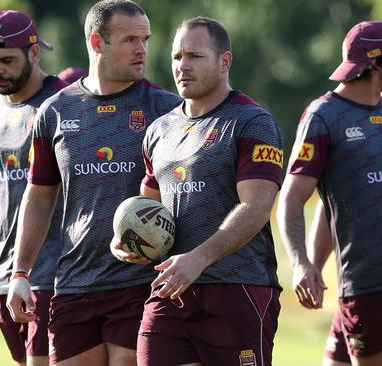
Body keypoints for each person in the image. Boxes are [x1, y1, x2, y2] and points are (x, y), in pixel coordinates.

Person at [5, 1, 181, 365]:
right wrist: (20, 271)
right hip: (73, 284)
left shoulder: (166, 109)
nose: (143, 49)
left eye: (145, 38)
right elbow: (38, 197)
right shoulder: (54, 112)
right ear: (97, 42)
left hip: (140, 283)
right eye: (130, 39)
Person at [277, 21, 382, 366]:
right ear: (374, 64)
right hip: (364, 282)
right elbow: (292, 198)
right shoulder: (322, 117)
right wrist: (302, 264)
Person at [122, 16, 282, 366]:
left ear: (225, 61)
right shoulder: (159, 130)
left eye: (194, 56)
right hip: (171, 290)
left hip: (237, 288)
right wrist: (130, 241)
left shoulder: (252, 122)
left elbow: (256, 207)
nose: (182, 66)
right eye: (177, 57)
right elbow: (149, 208)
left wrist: (199, 259)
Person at [0, 10, 66, 366]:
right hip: (5, 285)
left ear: (35, 54)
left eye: (6, 60)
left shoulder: (67, 105)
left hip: (60, 279)